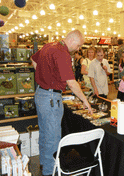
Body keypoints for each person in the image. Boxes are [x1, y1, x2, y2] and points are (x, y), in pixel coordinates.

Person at [31, 30, 92, 176]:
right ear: (71, 40)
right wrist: (85, 101)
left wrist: (45, 76)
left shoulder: (48, 46)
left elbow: (33, 60)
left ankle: (44, 164)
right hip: (51, 98)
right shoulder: (62, 53)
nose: (78, 49)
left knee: (45, 134)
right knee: (53, 138)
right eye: (78, 45)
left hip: (40, 94)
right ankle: (50, 171)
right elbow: (71, 83)